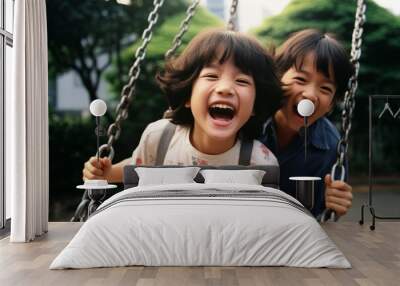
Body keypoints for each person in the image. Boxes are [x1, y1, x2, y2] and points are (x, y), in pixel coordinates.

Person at [83, 28, 283, 183]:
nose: (225, 88)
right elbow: (140, 165)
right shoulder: (160, 138)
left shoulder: (260, 162)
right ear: (187, 95)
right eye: (211, 76)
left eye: (242, 81)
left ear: (256, 104)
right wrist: (106, 173)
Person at [259, 29, 354, 218]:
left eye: (325, 88)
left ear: (331, 104)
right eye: (300, 79)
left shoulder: (330, 149)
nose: (310, 94)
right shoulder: (248, 123)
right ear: (277, 78)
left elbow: (317, 218)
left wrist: (332, 204)